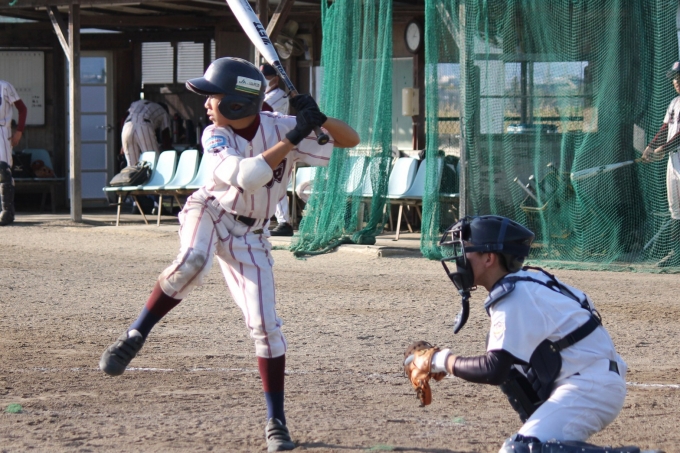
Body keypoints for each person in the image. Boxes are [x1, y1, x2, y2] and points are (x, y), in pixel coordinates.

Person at [99, 57, 359, 452]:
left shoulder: (281, 125)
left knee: (266, 327)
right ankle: (136, 333)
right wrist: (294, 137)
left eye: (214, 96)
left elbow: (349, 139)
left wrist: (317, 118)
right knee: (192, 262)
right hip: (211, 210)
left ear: (238, 102)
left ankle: (276, 422)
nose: (206, 103)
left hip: (253, 234)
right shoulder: (215, 134)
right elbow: (247, 177)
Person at [403, 215, 647, 453]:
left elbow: (493, 370)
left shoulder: (514, 296)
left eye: (467, 250)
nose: (460, 259)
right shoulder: (529, 281)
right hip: (588, 379)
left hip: (589, 387)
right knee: (504, 356)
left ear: (489, 258)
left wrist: (439, 360)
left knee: (519, 450)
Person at [642, 61, 680, 267]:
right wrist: (651, 146)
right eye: (674, 78)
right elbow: (666, 127)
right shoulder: (674, 102)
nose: (676, 81)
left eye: (679, 77)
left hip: (674, 153)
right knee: (675, 209)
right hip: (674, 161)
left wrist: (664, 148)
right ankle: (676, 253)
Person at [260, 63, 295, 236]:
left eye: (265, 76)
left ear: (275, 79)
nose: (263, 80)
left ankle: (284, 222)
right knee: (268, 183)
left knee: (276, 182)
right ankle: (274, 221)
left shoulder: (278, 95)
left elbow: (261, 108)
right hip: (268, 143)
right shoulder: (266, 94)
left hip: (279, 143)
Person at [0, 79, 27, 226]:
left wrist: (19, 131)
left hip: (2, 130)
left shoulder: (4, 86)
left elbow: (22, 109)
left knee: (3, 170)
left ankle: (7, 212)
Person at [121, 99, 172, 167]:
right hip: (143, 126)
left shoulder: (138, 103)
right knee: (153, 162)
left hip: (126, 127)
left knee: (132, 167)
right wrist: (169, 151)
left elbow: (124, 118)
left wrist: (122, 145)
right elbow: (165, 134)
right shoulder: (163, 111)